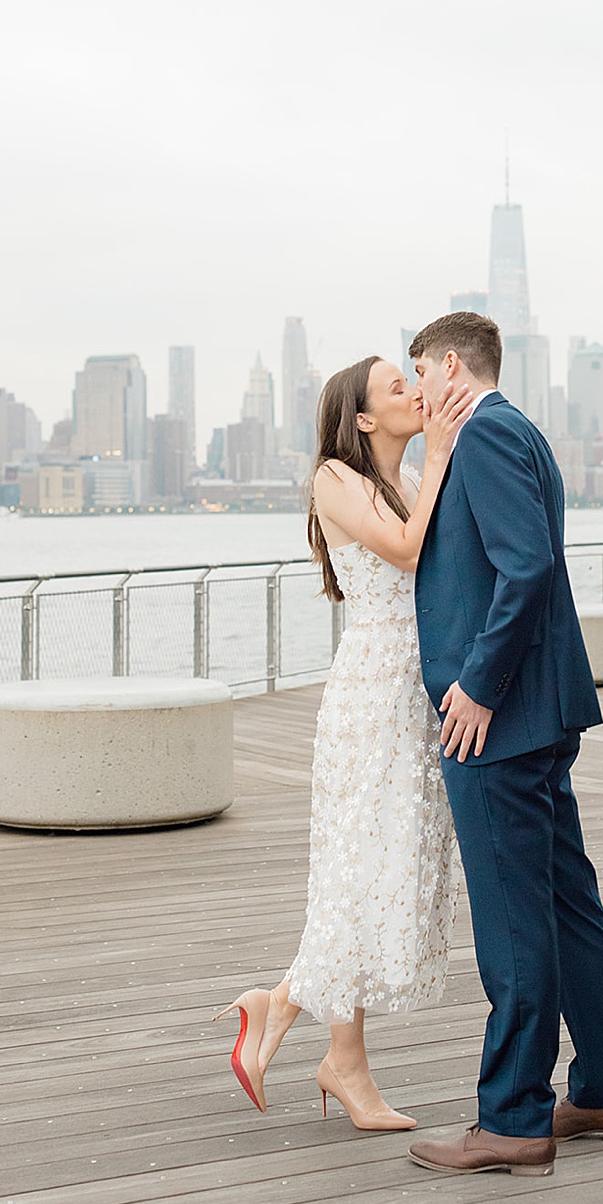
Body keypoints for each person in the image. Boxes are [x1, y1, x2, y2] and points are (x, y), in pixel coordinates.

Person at [405, 311, 603, 1179]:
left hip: (497, 719)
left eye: (419, 370)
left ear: (451, 364)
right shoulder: (520, 433)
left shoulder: (486, 436)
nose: (419, 388)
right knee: (564, 897)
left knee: (512, 917)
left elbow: (527, 564)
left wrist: (476, 682)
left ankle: (512, 1117)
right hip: (538, 710)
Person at [214, 356, 471, 1131]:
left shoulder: (407, 478)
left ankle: (300, 1023)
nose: (414, 393)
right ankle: (331, 1053)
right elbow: (403, 550)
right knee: (357, 864)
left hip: (415, 695)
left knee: (382, 868)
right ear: (362, 418)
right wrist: (443, 456)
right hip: (370, 695)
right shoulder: (336, 476)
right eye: (398, 387)